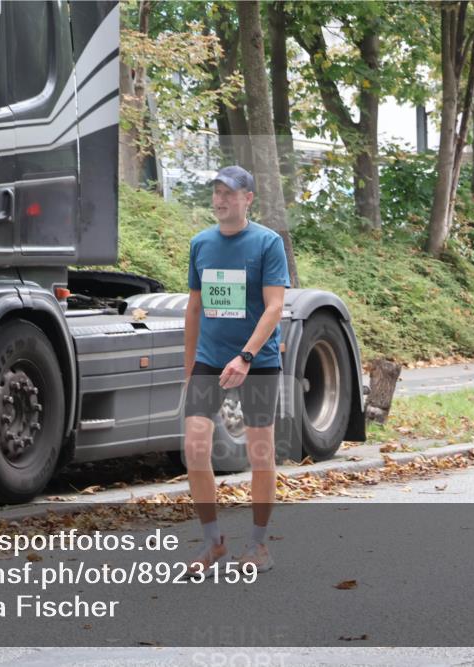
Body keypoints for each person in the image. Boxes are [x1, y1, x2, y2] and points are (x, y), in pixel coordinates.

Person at [183, 165, 290, 575]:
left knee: (260, 452)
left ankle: (258, 545)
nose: (220, 199)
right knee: (195, 447)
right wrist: (190, 369)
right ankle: (213, 543)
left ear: (248, 198)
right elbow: (195, 308)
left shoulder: (267, 243)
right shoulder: (201, 244)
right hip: (210, 359)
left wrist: (246, 356)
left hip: (257, 361)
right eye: (216, 192)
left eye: (229, 193)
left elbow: (274, 307)